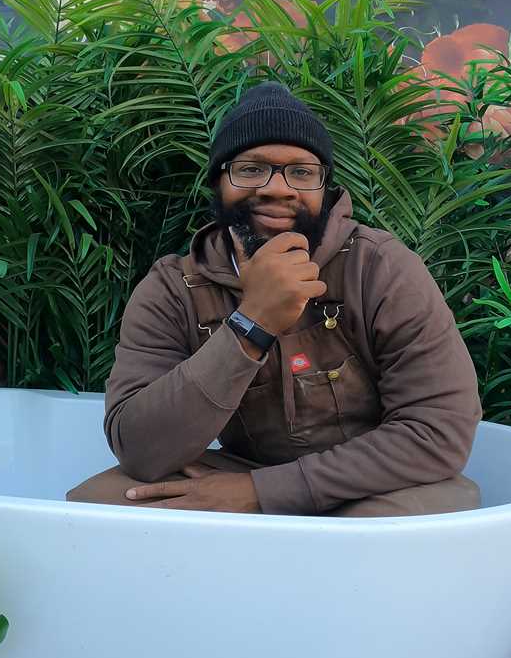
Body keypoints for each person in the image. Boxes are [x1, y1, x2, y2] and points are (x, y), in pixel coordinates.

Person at [67, 82, 482, 516]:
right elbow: (139, 449)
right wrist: (252, 324)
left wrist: (263, 492)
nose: (279, 189)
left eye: (302, 172)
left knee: (378, 527)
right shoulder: (173, 288)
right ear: (218, 180)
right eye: (251, 169)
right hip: (244, 467)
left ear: (325, 188)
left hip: (370, 482)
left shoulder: (380, 267)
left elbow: (438, 431)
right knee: (100, 503)